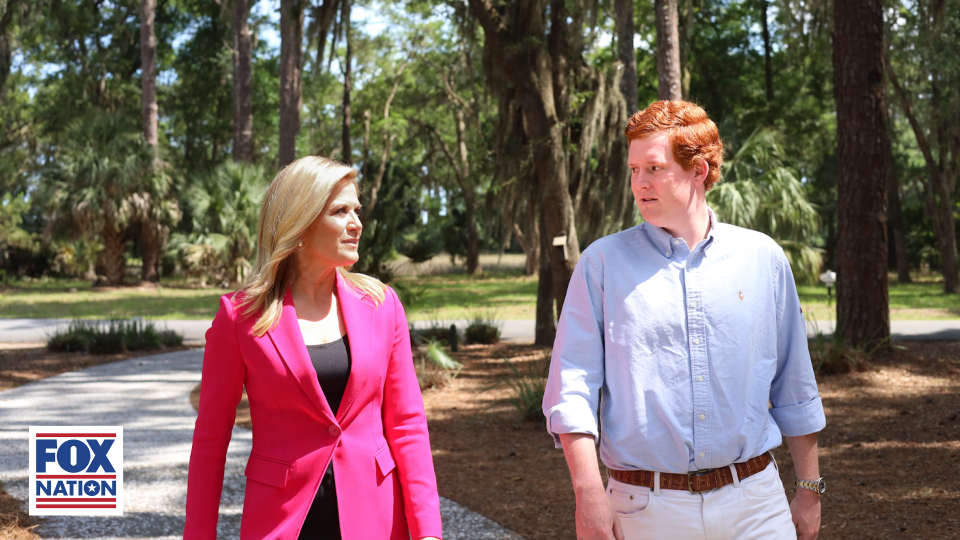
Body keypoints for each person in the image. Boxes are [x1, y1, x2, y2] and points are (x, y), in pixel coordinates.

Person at [542, 100, 826, 540]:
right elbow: (571, 388)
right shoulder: (601, 265)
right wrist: (588, 494)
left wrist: (809, 489)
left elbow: (794, 382)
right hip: (644, 511)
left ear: (699, 170)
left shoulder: (761, 258)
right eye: (634, 170)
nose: (640, 183)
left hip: (756, 506)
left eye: (654, 168)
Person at [184, 157, 443, 540]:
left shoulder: (382, 305)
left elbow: (407, 426)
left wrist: (428, 532)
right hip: (282, 520)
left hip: (376, 517)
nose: (356, 223)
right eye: (341, 211)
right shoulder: (240, 318)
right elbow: (210, 439)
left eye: (356, 210)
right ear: (300, 224)